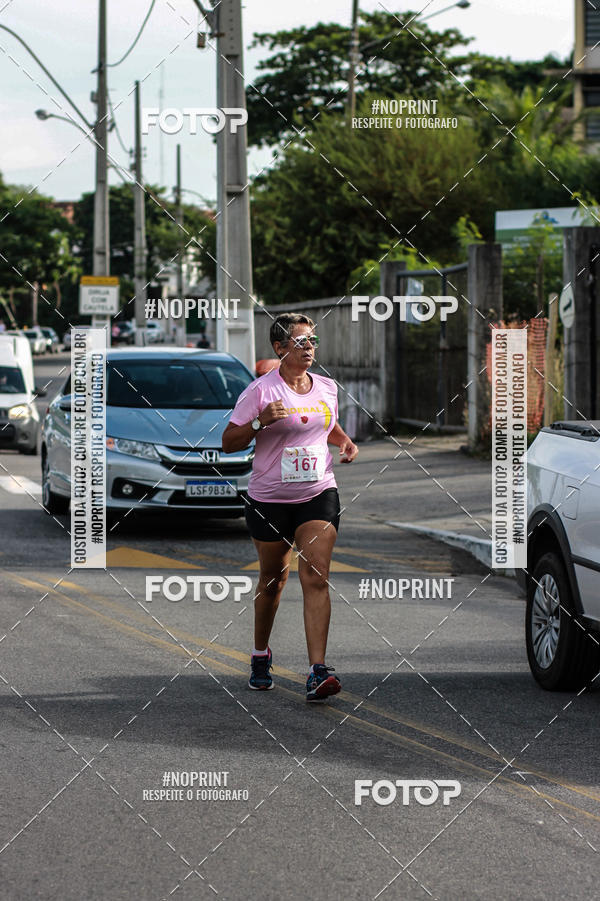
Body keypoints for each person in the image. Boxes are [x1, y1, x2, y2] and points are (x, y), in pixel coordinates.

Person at [222, 313, 358, 702]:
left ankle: (317, 670)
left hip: (318, 493)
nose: (309, 347)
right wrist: (259, 423)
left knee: (316, 574)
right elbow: (228, 442)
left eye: (312, 341)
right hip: (269, 500)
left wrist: (344, 441)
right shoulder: (260, 392)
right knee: (272, 580)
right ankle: (260, 655)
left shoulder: (327, 387)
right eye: (301, 342)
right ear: (280, 348)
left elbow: (323, 422)